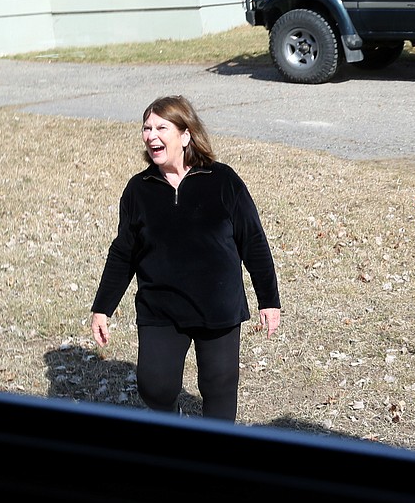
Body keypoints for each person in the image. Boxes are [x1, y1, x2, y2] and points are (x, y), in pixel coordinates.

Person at [89, 95, 281, 422]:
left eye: (161, 127)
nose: (151, 135)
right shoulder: (139, 189)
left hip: (217, 305)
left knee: (219, 387)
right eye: (146, 128)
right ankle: (173, 419)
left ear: (185, 135)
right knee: (154, 387)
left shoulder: (223, 181)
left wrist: (269, 299)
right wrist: (102, 307)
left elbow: (253, 240)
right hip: (161, 306)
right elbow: (123, 252)